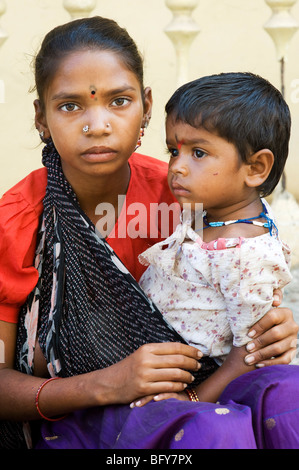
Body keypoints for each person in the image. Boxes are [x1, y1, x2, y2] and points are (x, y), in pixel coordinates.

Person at [0, 17, 297, 450]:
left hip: (201, 392)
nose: (97, 124)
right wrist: (107, 384)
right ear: (41, 118)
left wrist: (265, 331)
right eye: (70, 106)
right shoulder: (17, 223)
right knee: (214, 429)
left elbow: (236, 278)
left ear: (147, 105)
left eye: (119, 101)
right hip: (84, 422)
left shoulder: (187, 196)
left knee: (288, 392)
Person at [136, 72, 293, 406]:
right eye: (173, 151)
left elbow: (249, 353)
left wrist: (191, 402)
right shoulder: (209, 213)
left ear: (256, 168)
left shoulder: (246, 252)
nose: (176, 166)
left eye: (198, 153)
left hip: (199, 382)